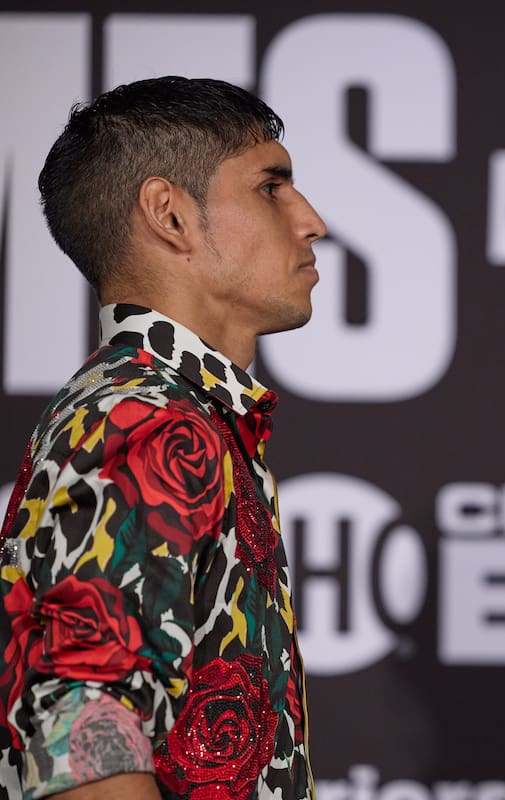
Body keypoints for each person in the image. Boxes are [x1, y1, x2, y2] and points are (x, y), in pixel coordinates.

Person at [0, 76, 327, 799]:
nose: (312, 221)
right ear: (170, 215)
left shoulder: (172, 411)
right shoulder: (143, 420)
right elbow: (81, 735)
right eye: (271, 187)